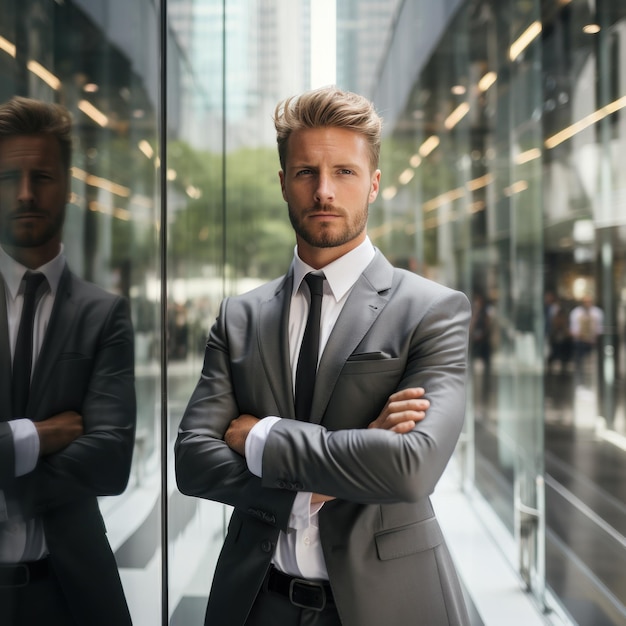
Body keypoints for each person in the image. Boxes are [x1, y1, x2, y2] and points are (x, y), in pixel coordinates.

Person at [175, 86, 471, 626]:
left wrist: (260, 437)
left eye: (345, 172)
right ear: (284, 183)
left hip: (386, 604)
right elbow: (193, 461)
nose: (324, 191)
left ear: (374, 184)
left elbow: (410, 467)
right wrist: (321, 481)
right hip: (254, 602)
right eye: (306, 172)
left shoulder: (432, 310)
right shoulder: (239, 317)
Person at [0, 96, 136, 625]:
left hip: (70, 594)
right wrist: (41, 436)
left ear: (70, 186)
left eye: (43, 176)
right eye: (10, 176)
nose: (27, 193)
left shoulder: (104, 314)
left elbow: (110, 458)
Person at [569, 293, 603, 387]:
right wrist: (581, 335)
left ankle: (593, 383)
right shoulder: (576, 313)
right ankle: (580, 383)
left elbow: (599, 329)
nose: (587, 304)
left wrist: (592, 335)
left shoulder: (597, 313)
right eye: (585, 302)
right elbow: (572, 330)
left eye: (589, 302)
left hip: (592, 343)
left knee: (592, 365)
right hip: (580, 343)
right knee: (580, 364)